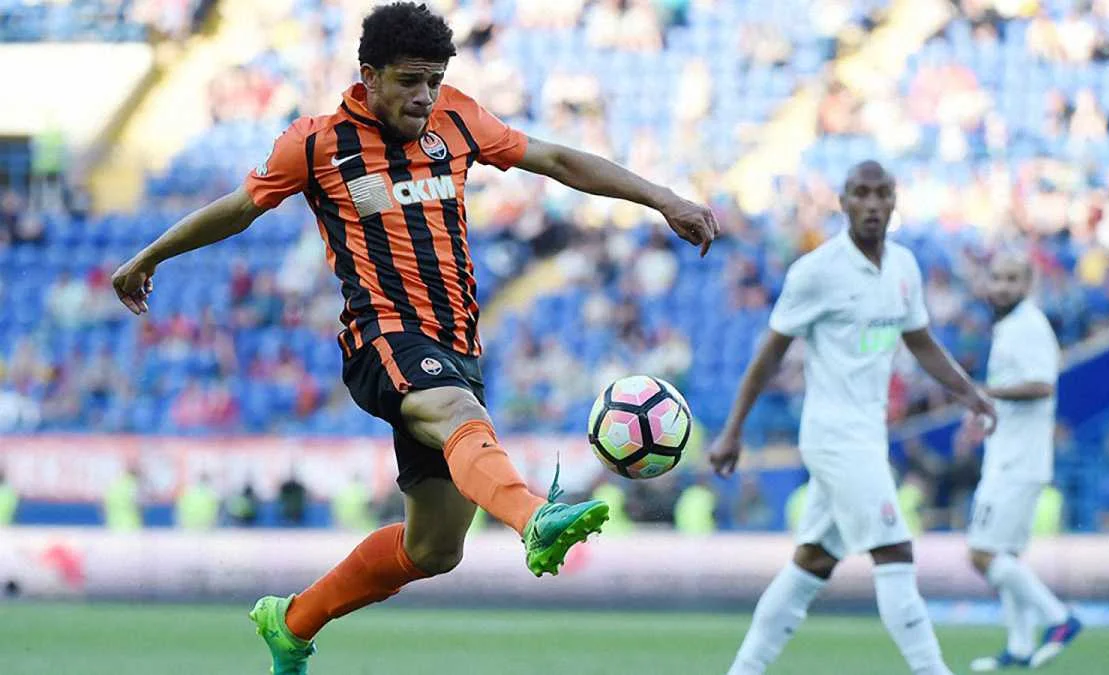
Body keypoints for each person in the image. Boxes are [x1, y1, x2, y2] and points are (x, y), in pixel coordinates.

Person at [110, 3, 718, 672]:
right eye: (409, 81)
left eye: (433, 80)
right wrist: (150, 255)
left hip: (456, 347)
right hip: (381, 339)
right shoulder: (317, 144)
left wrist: (663, 198)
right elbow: (237, 208)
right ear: (369, 76)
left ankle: (292, 621)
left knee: (435, 548)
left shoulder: (457, 119)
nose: (424, 96)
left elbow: (556, 159)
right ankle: (533, 518)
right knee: (458, 411)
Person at [708, 160, 996, 675]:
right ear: (842, 202)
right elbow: (769, 354)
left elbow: (921, 342)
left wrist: (968, 394)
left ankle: (743, 670)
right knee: (894, 551)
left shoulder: (903, 267)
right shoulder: (816, 272)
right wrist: (733, 430)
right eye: (861, 193)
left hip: (868, 433)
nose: (872, 204)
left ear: (894, 200)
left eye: (881, 194)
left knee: (812, 563)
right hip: (834, 436)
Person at [966, 253, 1081, 672]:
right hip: (1011, 455)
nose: (1001, 286)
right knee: (1006, 556)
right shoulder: (1008, 326)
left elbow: (1042, 385)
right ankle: (1018, 646)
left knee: (981, 554)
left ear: (1028, 283)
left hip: (1016, 462)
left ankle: (1060, 618)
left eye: (1011, 279)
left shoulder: (1029, 326)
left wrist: (985, 394)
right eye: (996, 278)